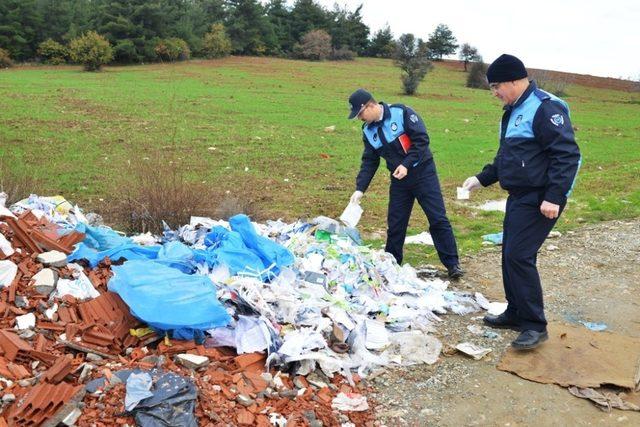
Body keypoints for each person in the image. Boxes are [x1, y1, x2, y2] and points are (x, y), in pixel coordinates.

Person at [461, 54, 581, 350]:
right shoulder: (513, 110)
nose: (494, 93)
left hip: (542, 197)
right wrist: (481, 178)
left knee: (520, 256)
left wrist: (554, 196)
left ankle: (534, 325)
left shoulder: (544, 107)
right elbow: (508, 157)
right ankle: (515, 311)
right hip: (520, 195)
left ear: (515, 80)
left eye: (497, 86)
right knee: (509, 255)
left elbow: (566, 155)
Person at [347, 88, 463, 279]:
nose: (360, 118)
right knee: (396, 223)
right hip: (399, 180)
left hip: (423, 173)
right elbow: (370, 161)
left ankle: (452, 264)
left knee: (437, 218)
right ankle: (392, 264)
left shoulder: (402, 113)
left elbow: (421, 140)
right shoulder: (368, 131)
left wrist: (407, 164)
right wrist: (360, 189)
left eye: (360, 114)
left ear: (370, 105)